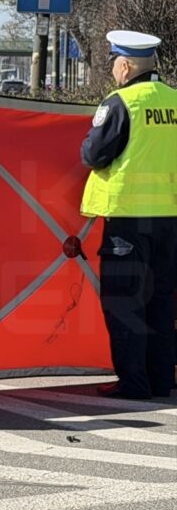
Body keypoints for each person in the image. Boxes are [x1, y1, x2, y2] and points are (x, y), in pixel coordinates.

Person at [80, 30, 177, 400]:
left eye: (113, 65)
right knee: (161, 302)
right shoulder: (174, 100)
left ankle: (134, 384)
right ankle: (161, 378)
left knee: (126, 303)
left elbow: (94, 155)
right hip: (169, 218)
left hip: (128, 219)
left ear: (124, 65)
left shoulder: (121, 103)